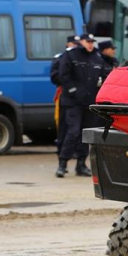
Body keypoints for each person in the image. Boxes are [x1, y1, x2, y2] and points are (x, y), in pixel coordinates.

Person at [57, 34, 105, 178]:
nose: (90, 44)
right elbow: (63, 75)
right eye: (88, 41)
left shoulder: (97, 57)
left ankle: (81, 164)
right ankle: (62, 163)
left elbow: (102, 77)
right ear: (81, 42)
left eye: (92, 42)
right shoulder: (71, 55)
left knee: (86, 135)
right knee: (73, 132)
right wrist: (74, 91)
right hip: (73, 102)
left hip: (89, 102)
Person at [50, 35, 78, 167]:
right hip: (63, 94)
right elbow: (55, 76)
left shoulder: (80, 58)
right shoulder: (60, 58)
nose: (75, 46)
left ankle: (76, 153)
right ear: (68, 44)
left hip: (78, 96)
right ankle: (61, 150)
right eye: (73, 44)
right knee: (62, 124)